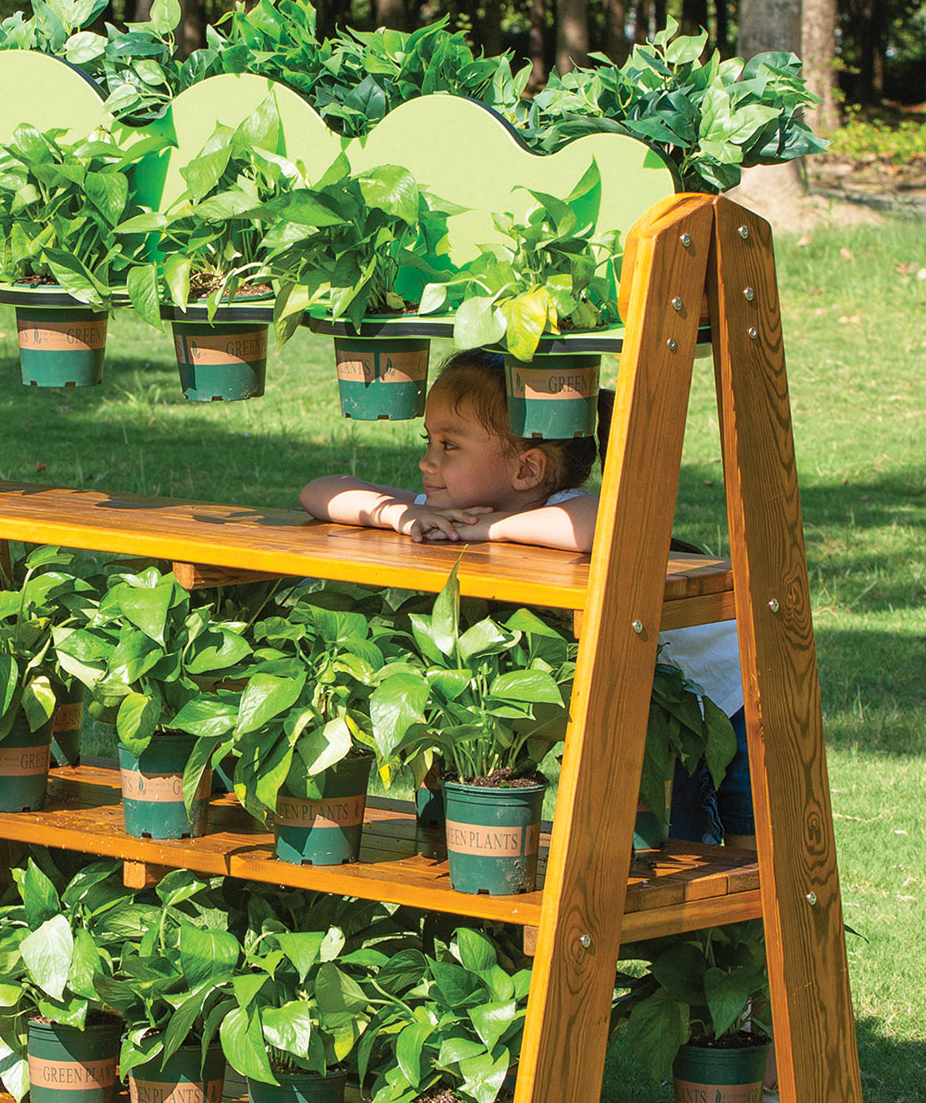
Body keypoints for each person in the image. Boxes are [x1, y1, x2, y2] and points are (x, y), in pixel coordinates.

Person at [299, 346, 751, 847]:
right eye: (427, 439)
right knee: (684, 846)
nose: (427, 462)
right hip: (670, 707)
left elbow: (605, 521)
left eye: (450, 445)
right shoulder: (452, 506)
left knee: (740, 850)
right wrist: (397, 514)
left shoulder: (558, 509)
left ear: (528, 471)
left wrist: (491, 528)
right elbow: (323, 489)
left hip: (732, 700)